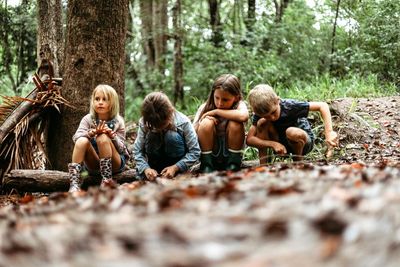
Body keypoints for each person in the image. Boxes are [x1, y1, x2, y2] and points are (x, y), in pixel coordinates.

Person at [246, 84, 338, 164]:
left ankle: (298, 162)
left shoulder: (289, 106)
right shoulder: (260, 115)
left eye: (273, 112)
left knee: (291, 132)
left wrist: (329, 132)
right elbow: (250, 139)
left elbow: (322, 106)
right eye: (266, 116)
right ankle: (263, 165)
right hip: (281, 145)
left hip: (303, 142)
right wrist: (273, 144)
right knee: (261, 123)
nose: (272, 118)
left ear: (277, 100)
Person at [68, 84, 130, 192]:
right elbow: (76, 138)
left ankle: (106, 181)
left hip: (114, 164)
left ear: (112, 103)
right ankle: (74, 183)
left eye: (104, 99)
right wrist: (91, 133)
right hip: (94, 164)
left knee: (102, 137)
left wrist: (112, 136)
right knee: (82, 140)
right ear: (93, 101)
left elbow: (122, 149)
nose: (100, 102)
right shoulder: (88, 119)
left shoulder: (118, 121)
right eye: (97, 99)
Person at [133, 92, 201, 180]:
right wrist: (145, 168)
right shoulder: (145, 123)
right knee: (152, 136)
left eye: (162, 125)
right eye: (154, 126)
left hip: (178, 163)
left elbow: (195, 151)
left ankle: (175, 172)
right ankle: (153, 173)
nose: (158, 129)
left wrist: (176, 167)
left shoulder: (183, 122)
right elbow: (137, 150)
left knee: (171, 136)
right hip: (154, 163)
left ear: (169, 114)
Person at [193, 74, 249, 172]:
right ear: (213, 94)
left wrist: (217, 112)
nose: (219, 103)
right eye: (217, 98)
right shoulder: (205, 107)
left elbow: (243, 116)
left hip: (231, 154)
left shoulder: (239, 105)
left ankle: (233, 164)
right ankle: (207, 165)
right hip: (211, 155)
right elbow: (193, 133)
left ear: (236, 97)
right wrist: (202, 121)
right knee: (206, 123)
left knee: (235, 122)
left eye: (225, 99)